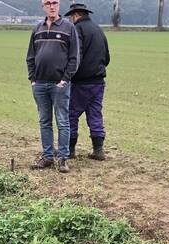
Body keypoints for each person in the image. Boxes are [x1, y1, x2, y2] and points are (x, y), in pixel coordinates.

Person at [26, 0, 79, 173]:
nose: (51, 6)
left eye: (54, 2)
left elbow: (74, 58)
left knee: (62, 121)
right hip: (40, 84)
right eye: (47, 3)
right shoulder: (37, 29)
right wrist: (33, 79)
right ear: (43, 6)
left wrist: (65, 79)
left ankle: (63, 158)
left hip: (59, 84)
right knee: (44, 121)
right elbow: (30, 57)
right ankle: (47, 156)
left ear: (59, 5)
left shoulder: (68, 28)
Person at [64, 2, 110, 161]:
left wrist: (68, 75)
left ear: (76, 15)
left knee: (72, 114)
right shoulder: (99, 29)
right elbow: (107, 58)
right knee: (95, 115)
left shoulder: (76, 29)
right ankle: (98, 150)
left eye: (71, 16)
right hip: (98, 82)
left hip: (80, 83)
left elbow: (75, 56)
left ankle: (70, 150)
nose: (71, 19)